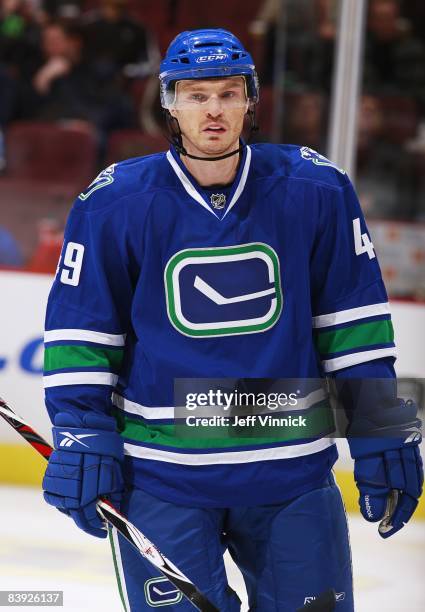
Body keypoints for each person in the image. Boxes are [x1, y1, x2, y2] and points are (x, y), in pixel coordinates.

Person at [41, 29, 423, 611]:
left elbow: (353, 326)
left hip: (290, 476)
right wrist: (80, 432)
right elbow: (82, 335)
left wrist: (380, 428)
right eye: (195, 95)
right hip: (163, 479)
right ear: (169, 103)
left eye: (228, 93)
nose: (213, 110)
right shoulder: (115, 202)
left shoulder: (315, 189)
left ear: (252, 100)